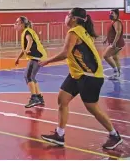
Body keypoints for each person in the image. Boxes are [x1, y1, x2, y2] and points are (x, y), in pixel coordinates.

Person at [39, 8, 123, 150]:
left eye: (67, 15)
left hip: (90, 76)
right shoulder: (81, 30)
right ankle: (60, 135)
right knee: (62, 100)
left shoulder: (74, 32)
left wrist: (47, 61)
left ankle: (114, 135)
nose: (65, 17)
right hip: (77, 74)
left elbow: (65, 53)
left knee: (93, 108)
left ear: (73, 18)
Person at [14, 16, 47, 108]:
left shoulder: (27, 32)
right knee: (32, 77)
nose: (15, 24)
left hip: (36, 56)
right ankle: (39, 97)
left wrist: (28, 49)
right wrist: (18, 58)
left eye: (17, 22)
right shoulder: (26, 32)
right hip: (38, 56)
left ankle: (34, 98)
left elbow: (30, 41)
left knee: (28, 76)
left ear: (22, 24)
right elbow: (24, 49)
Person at [103, 9, 125, 80]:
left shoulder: (117, 22)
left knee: (105, 56)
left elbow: (118, 33)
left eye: (112, 13)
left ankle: (116, 71)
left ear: (116, 14)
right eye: (110, 13)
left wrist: (114, 43)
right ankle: (118, 71)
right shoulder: (113, 22)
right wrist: (106, 39)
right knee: (115, 57)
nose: (110, 14)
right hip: (116, 43)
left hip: (117, 43)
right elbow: (111, 33)